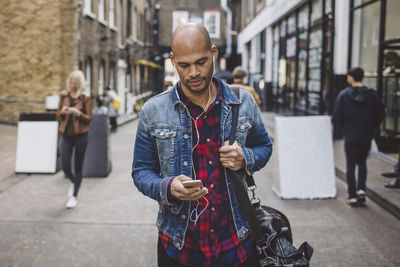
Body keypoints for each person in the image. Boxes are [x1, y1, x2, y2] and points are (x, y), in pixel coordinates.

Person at [131, 23, 272, 267]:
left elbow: (264, 147)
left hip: (237, 242)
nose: (194, 72)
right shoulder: (153, 111)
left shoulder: (243, 102)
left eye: (202, 62)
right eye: (184, 65)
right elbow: (141, 171)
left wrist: (245, 158)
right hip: (180, 246)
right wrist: (168, 187)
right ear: (173, 60)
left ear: (214, 54)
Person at [333, 67, 385, 206]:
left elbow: (338, 115)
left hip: (350, 134)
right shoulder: (372, 95)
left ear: (351, 77)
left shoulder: (344, 95)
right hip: (366, 134)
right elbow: (380, 114)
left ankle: (352, 195)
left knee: (350, 164)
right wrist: (372, 127)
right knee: (362, 162)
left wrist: (345, 128)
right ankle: (361, 189)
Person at [56, 70, 92, 209]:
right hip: (66, 134)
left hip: (81, 135)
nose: (72, 84)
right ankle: (73, 182)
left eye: (74, 82)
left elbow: (89, 119)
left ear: (79, 83)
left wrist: (78, 113)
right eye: (70, 81)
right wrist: (63, 112)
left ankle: (74, 196)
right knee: (65, 166)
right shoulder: (63, 96)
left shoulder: (85, 98)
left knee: (78, 166)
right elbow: (58, 114)